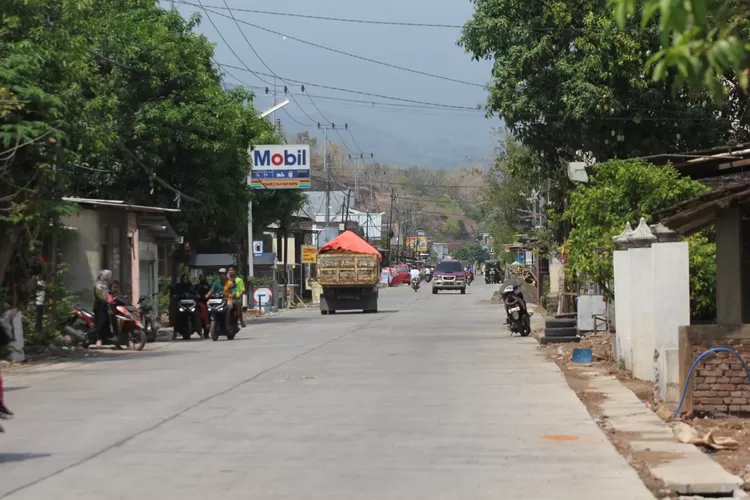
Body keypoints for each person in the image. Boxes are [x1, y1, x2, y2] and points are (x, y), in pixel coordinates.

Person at [93, 269, 113, 349]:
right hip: (99, 306)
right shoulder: (98, 284)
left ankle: (106, 339)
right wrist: (106, 300)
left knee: (107, 322)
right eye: (107, 275)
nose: (108, 277)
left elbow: (110, 293)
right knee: (102, 322)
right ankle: (99, 339)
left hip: (106, 305)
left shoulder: (106, 284)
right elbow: (99, 295)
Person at [172, 274, 194, 339]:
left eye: (187, 278)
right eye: (184, 278)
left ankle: (200, 331)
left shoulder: (191, 286)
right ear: (182, 279)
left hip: (190, 304)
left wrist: (197, 295)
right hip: (181, 304)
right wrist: (176, 295)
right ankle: (175, 332)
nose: (185, 279)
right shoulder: (178, 286)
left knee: (196, 314)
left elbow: (195, 292)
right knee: (176, 315)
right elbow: (175, 293)